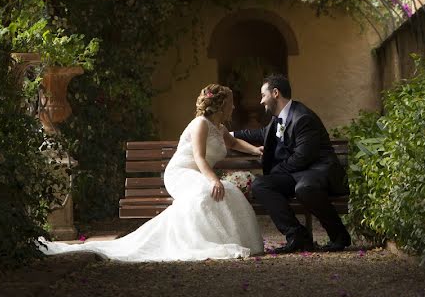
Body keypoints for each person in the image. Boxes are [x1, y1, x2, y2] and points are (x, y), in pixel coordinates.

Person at [38, 84, 264, 261]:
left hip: (199, 174)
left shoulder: (220, 128)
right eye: (231, 104)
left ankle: (223, 238)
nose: (234, 108)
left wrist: (256, 149)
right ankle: (196, 241)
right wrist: (214, 178)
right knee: (207, 192)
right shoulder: (200, 124)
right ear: (221, 104)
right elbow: (198, 157)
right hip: (182, 173)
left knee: (230, 191)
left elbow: (233, 143)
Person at [234, 74, 352, 253]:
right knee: (261, 185)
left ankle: (339, 235)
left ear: (275, 93)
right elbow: (260, 135)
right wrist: (229, 135)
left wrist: (276, 171)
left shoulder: (303, 117)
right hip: (298, 173)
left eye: (263, 95)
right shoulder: (279, 118)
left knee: (304, 189)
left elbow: (302, 157)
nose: (261, 101)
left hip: (318, 171)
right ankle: (297, 236)